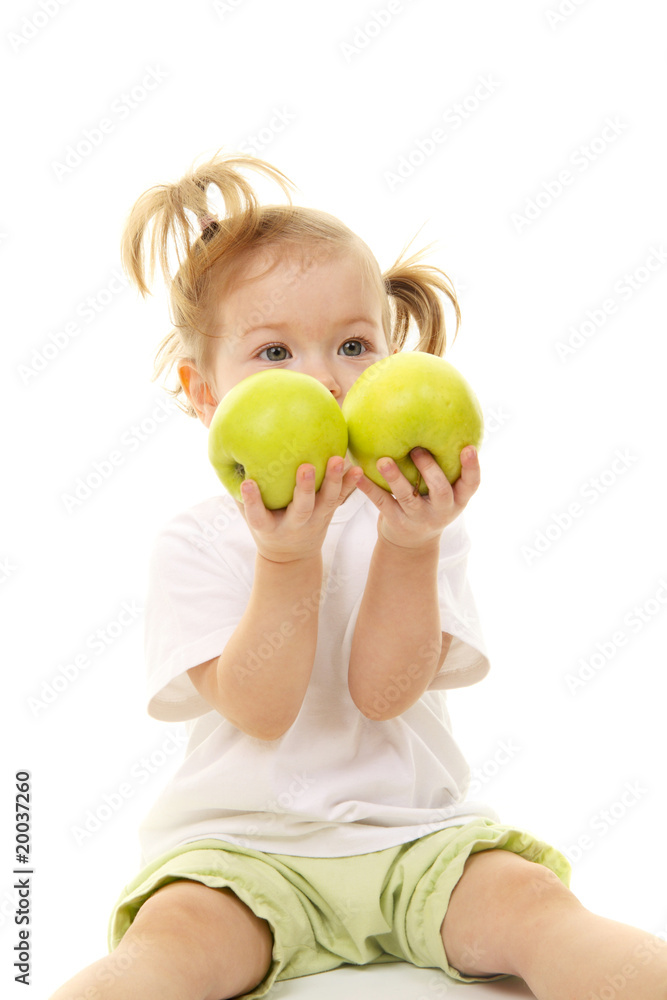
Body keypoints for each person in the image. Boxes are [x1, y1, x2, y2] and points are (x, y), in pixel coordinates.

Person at [51, 151, 667, 1000]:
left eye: (351, 345)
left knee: (534, 903)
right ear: (204, 394)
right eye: (274, 352)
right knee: (170, 946)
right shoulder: (196, 543)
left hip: (414, 838)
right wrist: (284, 559)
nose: (321, 379)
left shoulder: (415, 516)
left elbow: (384, 692)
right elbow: (260, 709)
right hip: (241, 852)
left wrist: (409, 547)